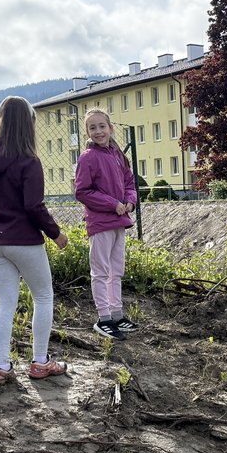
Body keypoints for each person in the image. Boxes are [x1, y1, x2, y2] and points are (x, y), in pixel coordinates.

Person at [0, 96, 69, 386]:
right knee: (43, 296)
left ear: (0, 120)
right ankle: (40, 362)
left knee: (5, 303)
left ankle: (1, 366)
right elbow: (33, 206)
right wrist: (56, 234)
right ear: (28, 124)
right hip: (23, 240)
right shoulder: (29, 160)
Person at [74, 108, 139, 340]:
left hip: (119, 221)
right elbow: (82, 191)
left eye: (102, 126)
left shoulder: (118, 155)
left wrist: (130, 201)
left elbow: (129, 182)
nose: (98, 131)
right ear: (87, 132)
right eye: (92, 128)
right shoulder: (87, 158)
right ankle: (104, 319)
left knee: (116, 270)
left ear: (110, 128)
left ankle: (117, 315)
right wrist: (112, 204)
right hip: (100, 223)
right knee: (101, 271)